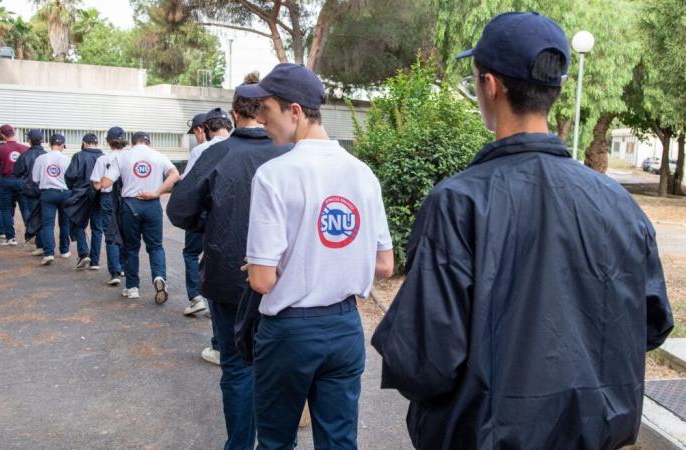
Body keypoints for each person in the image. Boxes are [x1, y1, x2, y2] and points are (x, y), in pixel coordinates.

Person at [371, 12, 675, 450]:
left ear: (490, 86)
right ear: (555, 90)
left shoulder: (458, 203)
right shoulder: (618, 204)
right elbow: (650, 325)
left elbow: (424, 363)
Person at [241, 63, 394, 449]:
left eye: (267, 111)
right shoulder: (362, 174)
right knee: (339, 442)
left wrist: (274, 265)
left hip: (290, 331)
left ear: (295, 112)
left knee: (276, 441)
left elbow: (261, 281)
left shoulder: (275, 175)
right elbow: (385, 265)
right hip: (344, 327)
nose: (261, 121)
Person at [168, 72, 291, 448]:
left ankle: (239, 444)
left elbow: (179, 210)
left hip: (226, 276)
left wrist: (213, 219)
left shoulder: (217, 153)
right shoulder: (287, 152)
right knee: (279, 366)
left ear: (236, 113)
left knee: (237, 367)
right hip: (281, 276)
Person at [100, 131, 180, 303]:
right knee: (156, 246)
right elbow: (175, 175)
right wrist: (157, 191)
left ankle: (132, 287)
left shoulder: (123, 157)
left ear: (132, 143)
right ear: (148, 142)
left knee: (131, 248)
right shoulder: (158, 156)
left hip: (130, 205)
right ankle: (159, 278)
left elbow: (106, 182)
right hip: (152, 203)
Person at [180, 108, 233, 319]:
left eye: (196, 132)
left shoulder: (201, 150)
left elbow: (190, 184)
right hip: (230, 215)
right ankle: (217, 307)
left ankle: (195, 298)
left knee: (192, 253)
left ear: (204, 129)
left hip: (203, 212)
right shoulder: (240, 146)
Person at [90, 127, 126, 286]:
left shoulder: (103, 159)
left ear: (108, 141)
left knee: (110, 233)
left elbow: (97, 185)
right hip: (126, 198)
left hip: (107, 197)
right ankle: (125, 266)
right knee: (125, 231)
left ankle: (115, 272)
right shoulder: (129, 157)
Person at [65, 133, 104, 269]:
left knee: (77, 222)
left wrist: (73, 188)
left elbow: (70, 175)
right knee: (97, 228)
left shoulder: (78, 156)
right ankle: (95, 261)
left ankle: (83, 253)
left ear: (84, 142)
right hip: (99, 195)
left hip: (80, 195)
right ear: (96, 143)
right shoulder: (103, 157)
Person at [32, 133, 72, 265]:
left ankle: (49, 252)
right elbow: (71, 178)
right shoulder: (67, 159)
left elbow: (35, 179)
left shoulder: (41, 158)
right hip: (65, 192)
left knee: (48, 224)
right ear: (62, 145)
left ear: (50, 144)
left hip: (48, 193)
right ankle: (64, 250)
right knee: (64, 222)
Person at [0, 125, 29, 246]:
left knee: (5, 209)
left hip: (6, 180)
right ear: (14, 133)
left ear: (2, 135)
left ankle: (10, 237)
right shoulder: (24, 148)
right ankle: (31, 234)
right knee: (25, 208)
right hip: (21, 181)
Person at [13, 129, 47, 255]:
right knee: (44, 218)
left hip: (30, 191)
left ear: (29, 140)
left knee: (32, 215)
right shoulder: (46, 155)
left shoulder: (25, 155)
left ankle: (38, 242)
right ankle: (43, 244)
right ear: (41, 140)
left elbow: (17, 172)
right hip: (44, 190)